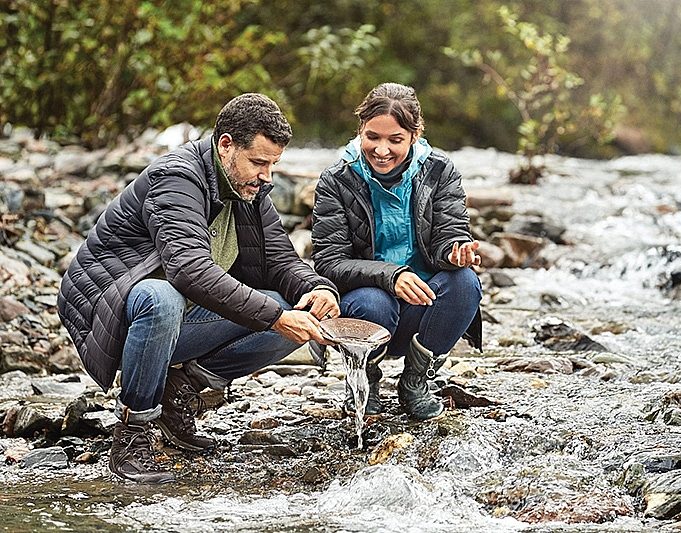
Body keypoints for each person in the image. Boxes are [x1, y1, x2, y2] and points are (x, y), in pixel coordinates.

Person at [57, 93, 340, 483]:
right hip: (110, 313)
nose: (267, 176)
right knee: (164, 297)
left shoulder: (249, 189)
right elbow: (188, 270)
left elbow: (280, 261)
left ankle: (178, 394)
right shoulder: (176, 178)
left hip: (180, 317)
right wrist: (275, 317)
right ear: (226, 145)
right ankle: (133, 432)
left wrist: (317, 288)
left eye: (274, 164)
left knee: (292, 309)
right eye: (259, 162)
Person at [312, 82, 482, 422]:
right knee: (372, 301)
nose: (381, 150)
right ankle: (365, 381)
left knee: (465, 282)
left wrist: (454, 253)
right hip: (368, 309)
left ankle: (415, 382)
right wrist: (392, 276)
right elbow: (330, 262)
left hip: (423, 310)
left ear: (415, 135)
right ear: (360, 129)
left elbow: (448, 235)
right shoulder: (336, 179)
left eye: (395, 140)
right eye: (372, 137)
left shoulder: (440, 171)